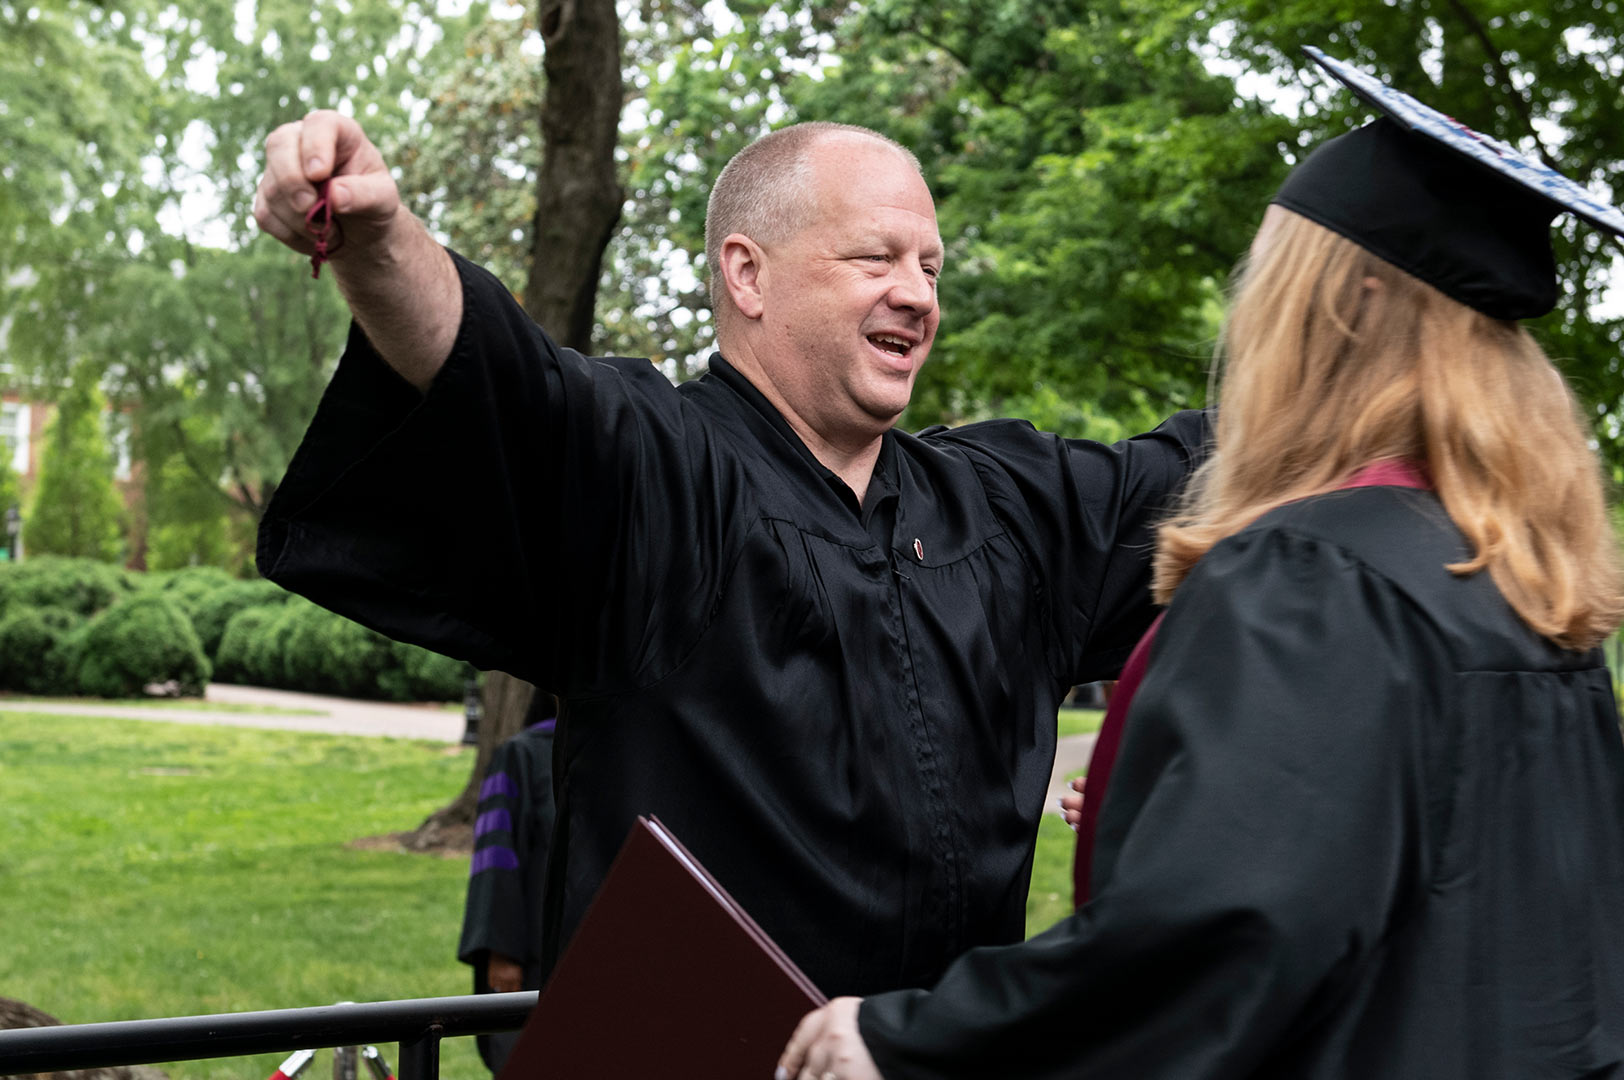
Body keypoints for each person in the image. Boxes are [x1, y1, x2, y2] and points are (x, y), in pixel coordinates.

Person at [778, 48, 1624, 1080]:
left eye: (1269, 280)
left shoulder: (1315, 581)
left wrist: (903, 1040)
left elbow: (1207, 944)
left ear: (1340, 307)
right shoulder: (1524, 592)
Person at [249, 115, 1209, 996]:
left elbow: (1213, 470)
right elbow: (502, 378)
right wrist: (378, 246)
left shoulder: (1002, 510)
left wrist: (1347, 299)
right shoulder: (659, 477)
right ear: (747, 275)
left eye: (931, 265)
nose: (916, 295)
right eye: (875, 257)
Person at [457, 688, 559, 1074]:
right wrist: (501, 953)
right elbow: (495, 860)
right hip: (529, 956)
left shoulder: (614, 756)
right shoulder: (520, 756)